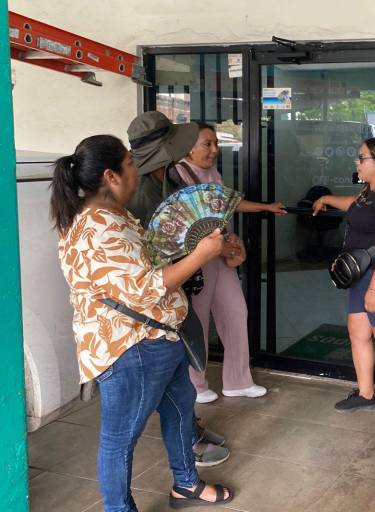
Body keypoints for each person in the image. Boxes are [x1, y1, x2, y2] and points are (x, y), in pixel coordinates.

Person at [51, 134, 234, 511]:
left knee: (181, 411)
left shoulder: (114, 215)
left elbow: (144, 267)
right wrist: (201, 254)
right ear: (110, 175)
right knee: (119, 439)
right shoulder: (101, 227)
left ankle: (186, 485)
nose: (137, 170)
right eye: (130, 164)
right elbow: (147, 287)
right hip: (129, 349)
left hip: (158, 340)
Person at [125, 110, 231, 466]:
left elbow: (191, 219)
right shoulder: (140, 192)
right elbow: (150, 257)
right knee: (164, 385)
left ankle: (189, 434)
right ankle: (186, 443)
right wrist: (198, 253)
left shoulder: (169, 177)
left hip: (177, 294)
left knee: (179, 378)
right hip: (156, 301)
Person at [173, 121, 286, 403]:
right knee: (197, 322)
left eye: (215, 144)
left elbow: (228, 204)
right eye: (206, 144)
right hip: (195, 261)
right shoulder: (178, 174)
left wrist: (265, 207)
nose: (214, 150)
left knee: (236, 313)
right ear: (188, 146)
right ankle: (196, 386)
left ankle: (238, 380)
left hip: (220, 255)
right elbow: (186, 224)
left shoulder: (211, 172)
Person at [312, 137, 375, 430]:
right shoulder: (369, 192)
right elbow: (354, 206)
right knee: (358, 332)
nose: (357, 163)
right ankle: (366, 393)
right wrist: (327, 199)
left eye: (362, 158)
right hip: (362, 277)